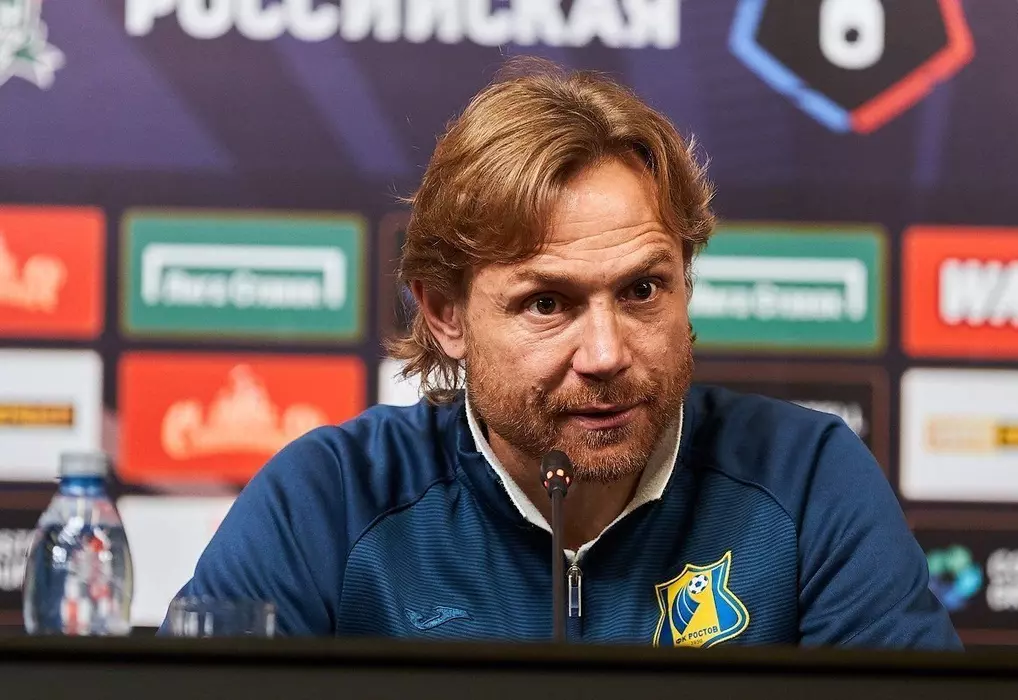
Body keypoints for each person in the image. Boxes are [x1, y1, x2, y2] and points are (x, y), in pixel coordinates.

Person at [164, 58, 961, 649]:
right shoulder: (329, 501)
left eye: (643, 290)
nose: (607, 353)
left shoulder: (808, 483)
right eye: (548, 303)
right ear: (445, 314)